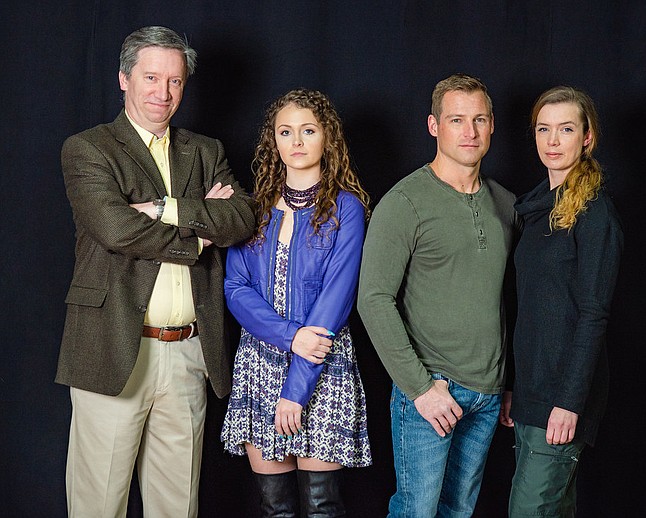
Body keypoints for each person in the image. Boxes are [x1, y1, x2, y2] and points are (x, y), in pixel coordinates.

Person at [56, 26, 256, 517]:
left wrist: (164, 208)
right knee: (98, 504)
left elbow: (243, 216)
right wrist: (201, 228)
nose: (163, 93)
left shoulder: (205, 151)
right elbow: (117, 230)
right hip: (113, 345)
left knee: (177, 507)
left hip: (188, 352)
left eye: (175, 81)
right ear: (124, 79)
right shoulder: (88, 148)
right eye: (151, 77)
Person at [358, 74, 520, 517]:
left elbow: (507, 300)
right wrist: (421, 388)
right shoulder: (405, 202)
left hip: (487, 393)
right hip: (432, 388)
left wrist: (506, 382)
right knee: (417, 511)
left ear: (492, 126)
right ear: (434, 126)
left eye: (479, 120)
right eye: (456, 120)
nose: (469, 132)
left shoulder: (506, 205)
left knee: (459, 511)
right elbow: (372, 299)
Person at [221, 88, 372, 517]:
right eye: (286, 132)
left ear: (328, 138)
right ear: (274, 141)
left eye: (308, 130)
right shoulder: (254, 209)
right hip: (259, 366)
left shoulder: (347, 209)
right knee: (275, 508)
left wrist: (295, 389)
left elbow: (335, 301)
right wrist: (290, 338)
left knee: (323, 506)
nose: (297, 142)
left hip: (322, 367)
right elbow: (236, 289)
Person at [501, 86, 623, 517]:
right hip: (533, 391)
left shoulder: (594, 213)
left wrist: (570, 401)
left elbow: (593, 315)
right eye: (544, 129)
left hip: (563, 396)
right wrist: (515, 386)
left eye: (566, 129)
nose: (553, 141)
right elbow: (531, 309)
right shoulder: (536, 210)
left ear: (586, 137)